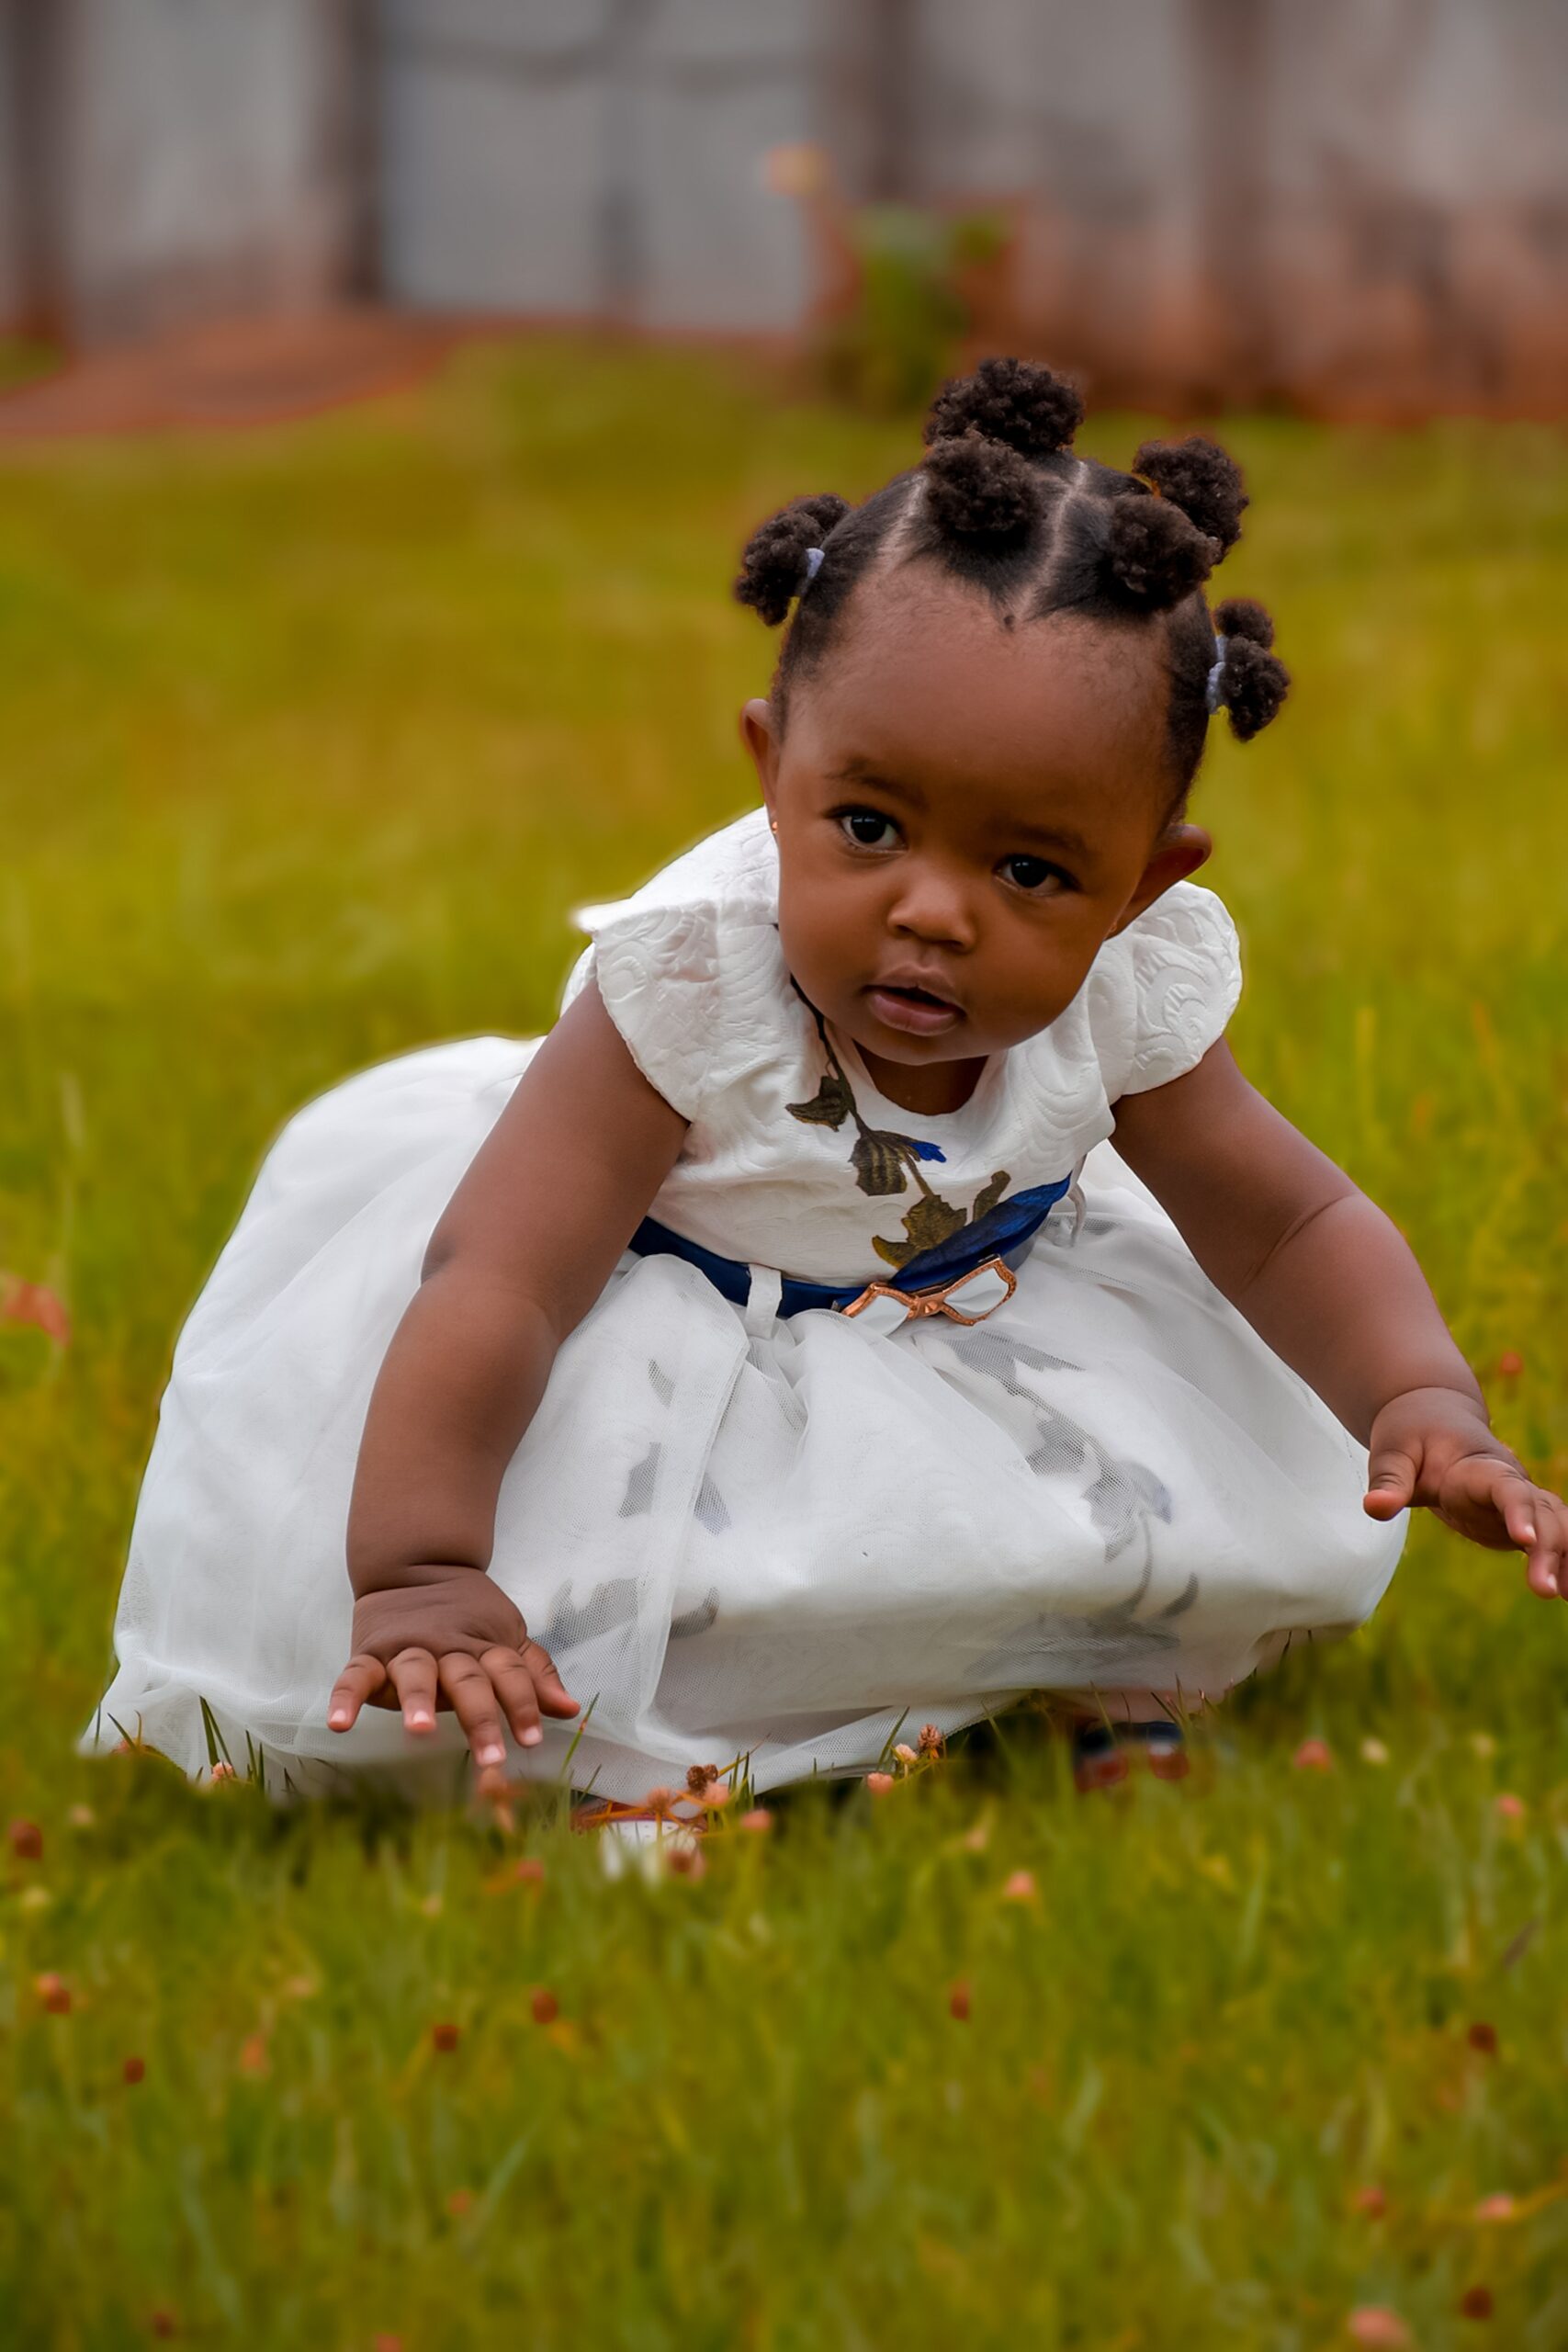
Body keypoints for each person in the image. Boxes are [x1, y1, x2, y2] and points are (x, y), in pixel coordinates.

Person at [88, 359, 1566, 1810]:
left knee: (1116, 1503)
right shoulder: (692, 991)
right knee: (667, 1583)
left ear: (1141, 887)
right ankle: (697, 1748)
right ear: (769, 763)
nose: (933, 910)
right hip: (673, 1308)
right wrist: (419, 1566)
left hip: (981, 1306)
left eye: (1032, 869)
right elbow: (503, 1286)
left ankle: (1061, 1678)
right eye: (867, 825)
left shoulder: (1133, 982)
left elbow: (1287, 1223)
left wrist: (1418, 1394)